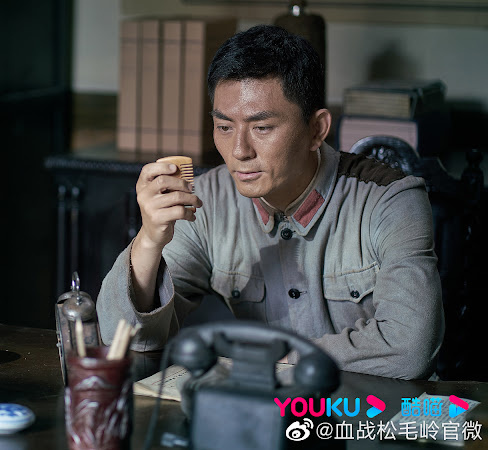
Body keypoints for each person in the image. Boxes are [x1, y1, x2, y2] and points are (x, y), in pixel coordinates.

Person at [96, 24, 443, 380]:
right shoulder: (207, 201)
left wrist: (277, 360)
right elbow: (126, 340)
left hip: (366, 409)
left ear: (316, 130)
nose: (239, 151)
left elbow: (409, 348)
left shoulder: (389, 200)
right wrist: (149, 241)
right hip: (261, 406)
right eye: (224, 127)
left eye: (261, 128)